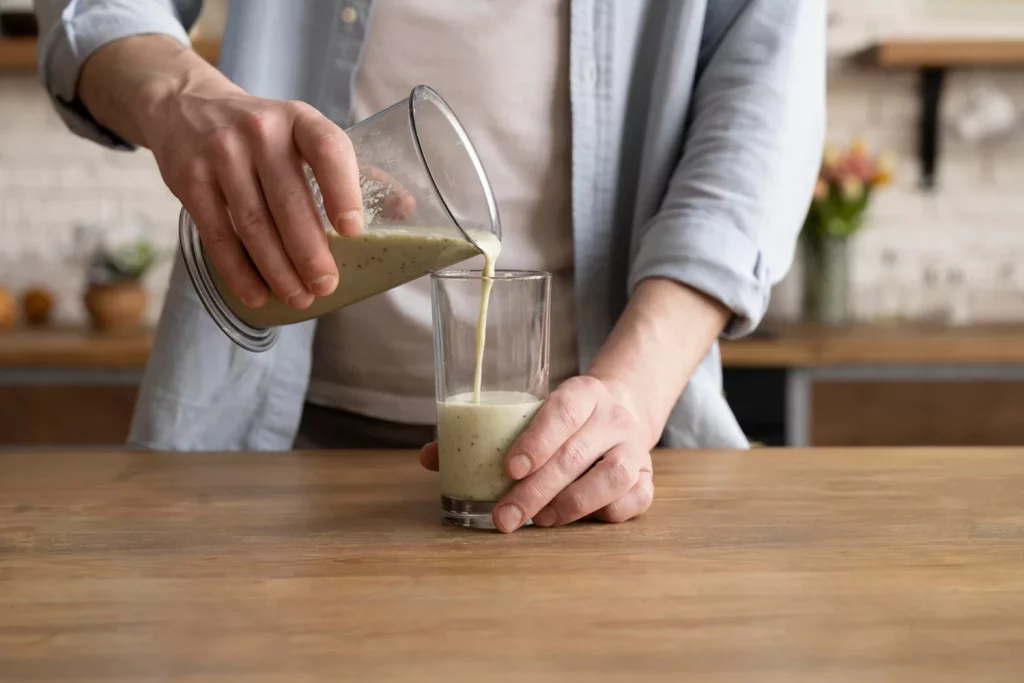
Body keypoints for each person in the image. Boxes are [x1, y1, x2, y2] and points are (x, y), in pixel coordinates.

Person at [35, 0, 825, 532]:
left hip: (606, 457)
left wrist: (632, 393)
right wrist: (180, 96)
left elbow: (762, 112)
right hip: (270, 442)